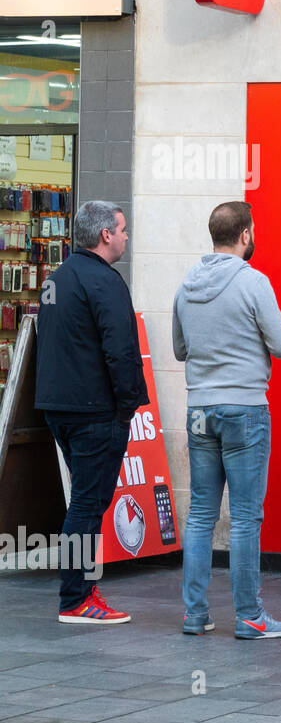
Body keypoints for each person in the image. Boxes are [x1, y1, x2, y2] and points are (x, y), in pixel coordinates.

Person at [173, 201, 281, 639]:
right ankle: (249, 616)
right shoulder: (254, 282)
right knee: (244, 517)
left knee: (201, 513)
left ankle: (195, 614)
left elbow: (179, 349)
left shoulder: (186, 285)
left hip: (199, 408)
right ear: (245, 234)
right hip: (244, 408)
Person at [35, 201, 148, 624]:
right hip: (94, 412)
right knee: (87, 503)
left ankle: (82, 587)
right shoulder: (106, 281)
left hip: (60, 407)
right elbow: (121, 350)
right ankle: (76, 598)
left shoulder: (58, 278)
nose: (125, 237)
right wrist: (126, 407)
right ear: (105, 235)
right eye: (122, 230)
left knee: (84, 500)